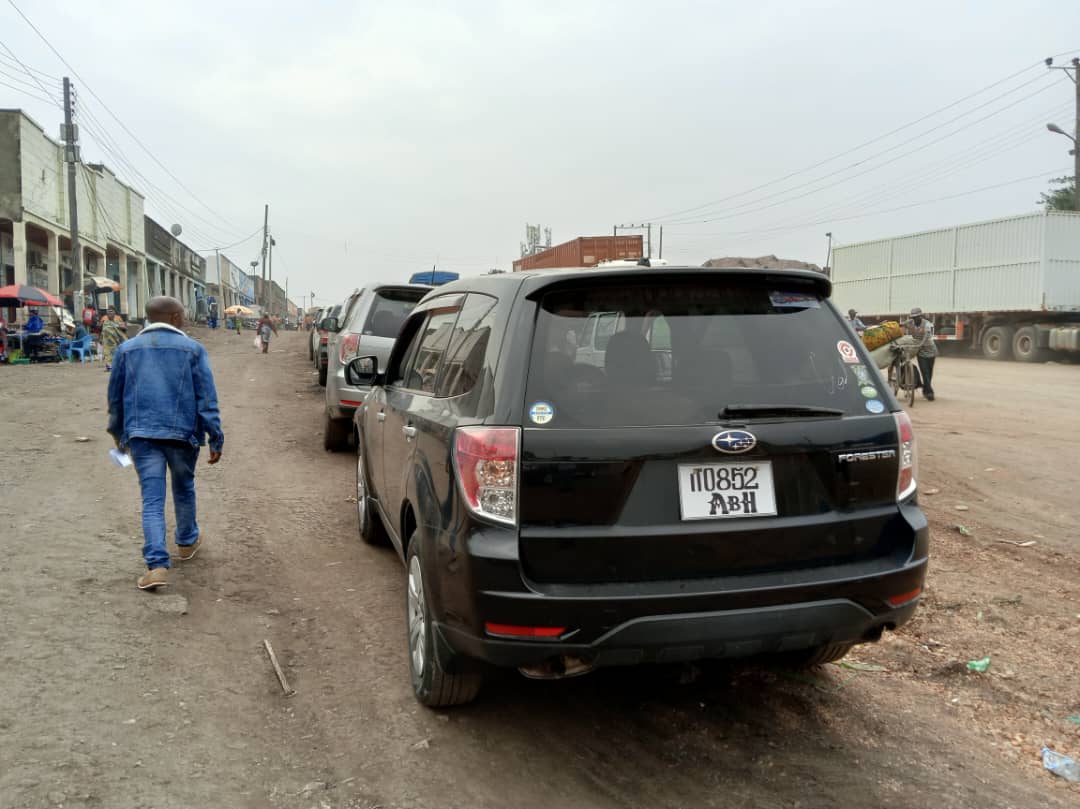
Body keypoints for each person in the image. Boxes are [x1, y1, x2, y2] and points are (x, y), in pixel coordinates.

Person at [107, 296, 224, 590]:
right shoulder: (193, 350)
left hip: (142, 436)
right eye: (182, 314)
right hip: (183, 435)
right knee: (184, 488)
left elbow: (115, 399)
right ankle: (186, 541)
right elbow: (206, 398)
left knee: (152, 500)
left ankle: (157, 565)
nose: (183, 319)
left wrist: (118, 435)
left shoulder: (126, 349)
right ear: (173, 317)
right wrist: (215, 436)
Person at [906, 307, 937, 401]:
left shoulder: (926, 324)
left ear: (920, 316)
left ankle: (926, 390)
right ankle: (930, 392)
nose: (915, 319)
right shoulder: (910, 323)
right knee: (925, 372)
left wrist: (920, 343)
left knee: (929, 372)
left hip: (930, 350)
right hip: (920, 352)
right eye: (913, 317)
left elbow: (927, 335)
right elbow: (902, 325)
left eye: (917, 317)